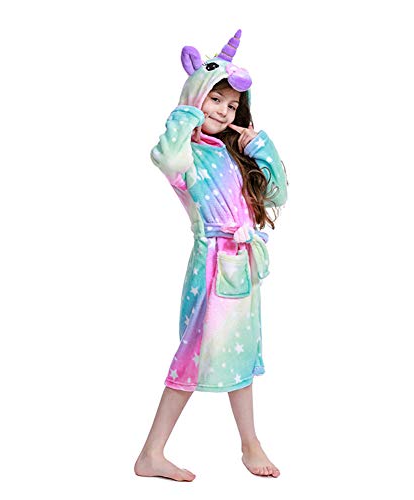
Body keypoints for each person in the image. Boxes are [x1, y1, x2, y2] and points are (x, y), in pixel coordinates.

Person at [134, 29, 288, 482]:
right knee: (192, 354)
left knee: (243, 354)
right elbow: (165, 157)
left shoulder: (231, 154)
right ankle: (151, 453)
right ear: (197, 96)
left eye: (232, 105)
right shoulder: (188, 155)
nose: (223, 111)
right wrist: (187, 107)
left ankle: (249, 443)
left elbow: (277, 194)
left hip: (243, 267)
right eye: (215, 99)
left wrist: (259, 147)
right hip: (212, 267)